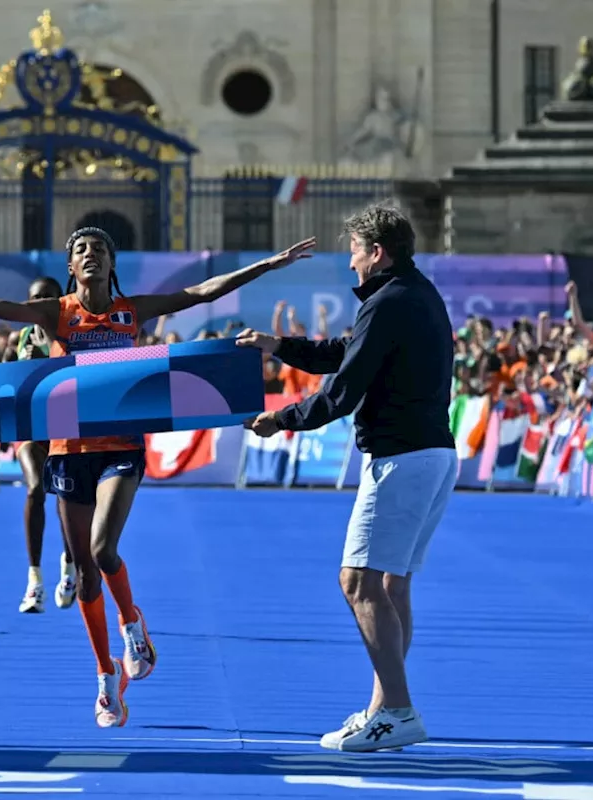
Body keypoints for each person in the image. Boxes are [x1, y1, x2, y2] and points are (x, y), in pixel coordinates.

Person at [0, 228, 316, 727]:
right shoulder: (57, 312)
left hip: (121, 447)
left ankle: (132, 622)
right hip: (67, 451)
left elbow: (203, 292)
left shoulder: (131, 311)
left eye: (98, 249)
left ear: (111, 262)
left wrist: (266, 265)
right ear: (71, 267)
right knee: (84, 572)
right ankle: (105, 675)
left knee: (101, 550)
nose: (89, 255)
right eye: (80, 251)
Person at [237, 205, 457, 752]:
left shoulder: (388, 302)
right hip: (430, 454)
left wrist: (280, 418)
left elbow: (342, 393)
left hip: (401, 458)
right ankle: (385, 707)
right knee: (389, 583)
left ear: (377, 252)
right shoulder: (412, 294)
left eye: (355, 252)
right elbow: (344, 354)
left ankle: (399, 709)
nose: (351, 264)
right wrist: (278, 345)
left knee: (358, 582)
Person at [8, 277, 78, 614]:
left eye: (48, 297)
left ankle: (69, 564)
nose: (41, 303)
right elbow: (3, 388)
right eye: (35, 298)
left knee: (66, 498)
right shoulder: (19, 339)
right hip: (29, 431)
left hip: (63, 429)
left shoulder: (73, 335)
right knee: (36, 489)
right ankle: (34, 581)